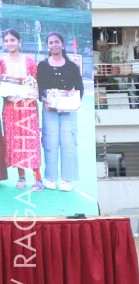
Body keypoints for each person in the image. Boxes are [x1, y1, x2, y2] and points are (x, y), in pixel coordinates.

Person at [36, 34, 84, 192]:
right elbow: (40, 87)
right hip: (49, 110)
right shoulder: (42, 65)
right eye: (51, 42)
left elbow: (80, 88)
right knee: (50, 143)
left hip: (68, 111)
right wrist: (45, 100)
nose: (54, 45)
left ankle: (66, 179)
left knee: (68, 144)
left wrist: (72, 102)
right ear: (47, 46)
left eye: (57, 42)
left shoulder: (72, 66)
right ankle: (50, 178)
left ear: (63, 44)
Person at [1, 28, 44, 191]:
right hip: (11, 108)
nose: (9, 43)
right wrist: (7, 96)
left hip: (28, 107)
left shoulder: (29, 61)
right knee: (16, 141)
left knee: (31, 141)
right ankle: (21, 176)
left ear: (19, 42)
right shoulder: (2, 62)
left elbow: (36, 84)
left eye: (12, 40)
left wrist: (28, 96)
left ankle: (37, 178)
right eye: (6, 40)